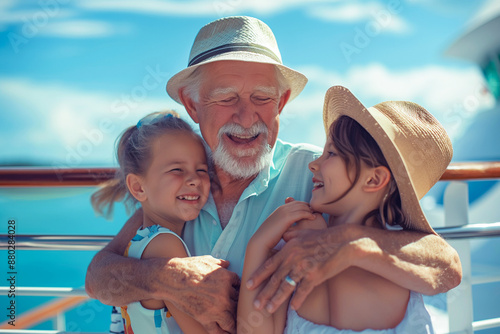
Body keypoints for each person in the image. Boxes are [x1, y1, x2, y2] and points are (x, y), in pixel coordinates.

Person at [85, 16, 462, 334]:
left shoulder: (319, 177)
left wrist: (347, 241)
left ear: (281, 103)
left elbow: (444, 266)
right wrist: (167, 278)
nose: (247, 117)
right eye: (227, 97)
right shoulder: (182, 183)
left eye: (263, 98)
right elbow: (100, 273)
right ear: (192, 104)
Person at [238, 85, 449, 333]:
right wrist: (258, 244)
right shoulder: (303, 249)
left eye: (331, 153)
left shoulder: (403, 259)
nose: (313, 164)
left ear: (373, 180)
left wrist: (261, 246)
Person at [91, 111, 211, 333]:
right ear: (138, 187)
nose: (194, 179)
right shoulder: (166, 246)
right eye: (177, 169)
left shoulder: (139, 239)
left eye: (202, 170)